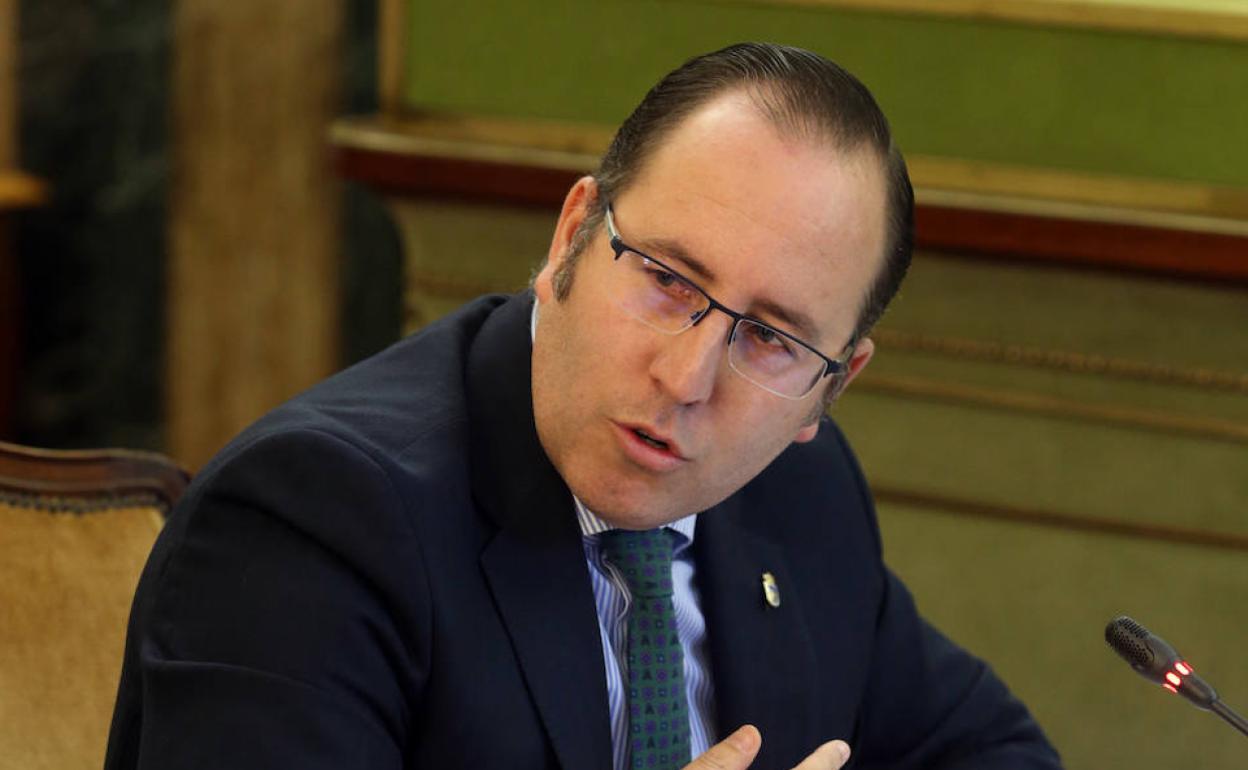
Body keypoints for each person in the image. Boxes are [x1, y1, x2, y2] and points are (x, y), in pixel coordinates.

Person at [105, 43, 1062, 770]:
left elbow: (994, 754)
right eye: (667, 280)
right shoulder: (315, 518)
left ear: (831, 388)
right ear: (572, 237)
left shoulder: (800, 493)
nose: (686, 377)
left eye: (772, 338)